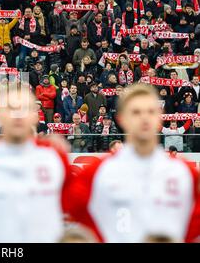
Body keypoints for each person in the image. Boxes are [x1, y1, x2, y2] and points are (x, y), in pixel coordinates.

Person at [67, 84, 200, 242]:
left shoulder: (184, 173)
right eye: (136, 112)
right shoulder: (99, 172)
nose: (144, 117)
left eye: (150, 111)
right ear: (122, 118)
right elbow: (74, 211)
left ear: (159, 116)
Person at [0, 85, 71, 242]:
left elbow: (69, 218)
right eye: (11, 108)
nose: (18, 115)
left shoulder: (55, 160)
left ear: (35, 115)